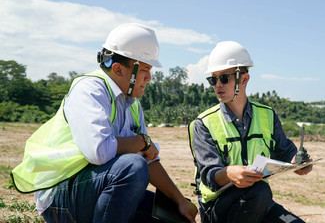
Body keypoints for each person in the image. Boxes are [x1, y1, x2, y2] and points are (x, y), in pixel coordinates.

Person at [11, 23, 197, 222]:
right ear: (117, 69)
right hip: (61, 198)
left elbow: (149, 159)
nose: (150, 77)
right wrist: (142, 142)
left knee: (175, 216)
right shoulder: (89, 89)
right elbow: (99, 151)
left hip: (98, 190)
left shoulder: (132, 103)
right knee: (132, 165)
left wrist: (180, 201)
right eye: (145, 69)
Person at [189, 41, 312, 223]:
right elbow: (209, 175)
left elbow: (286, 152)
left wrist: (299, 162)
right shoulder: (203, 124)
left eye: (224, 78)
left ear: (244, 79)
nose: (217, 85)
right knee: (260, 190)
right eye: (213, 79)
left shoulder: (267, 115)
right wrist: (229, 173)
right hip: (218, 207)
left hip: (257, 203)